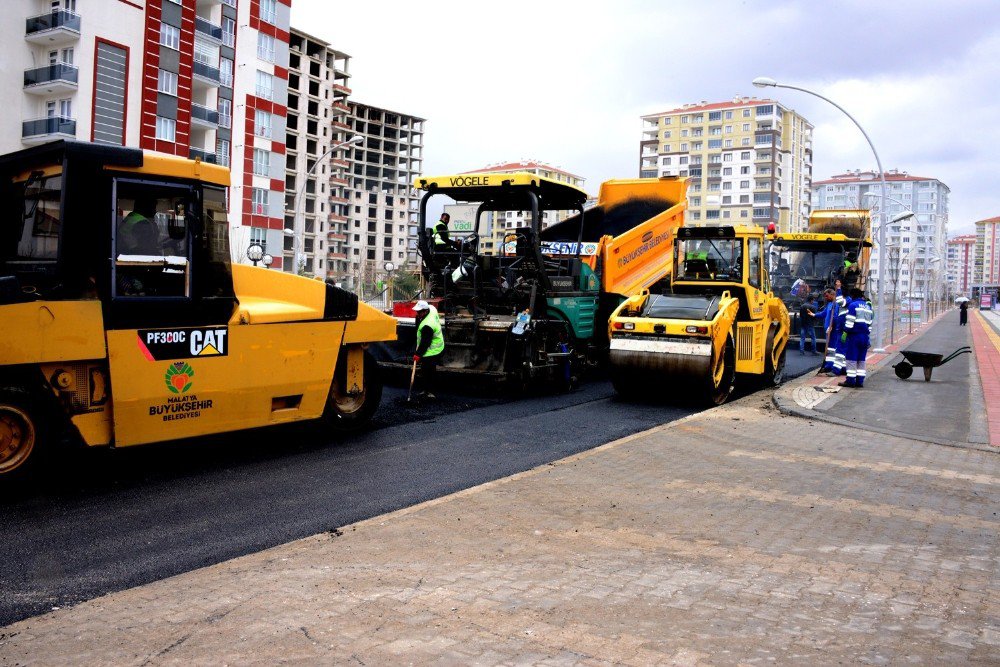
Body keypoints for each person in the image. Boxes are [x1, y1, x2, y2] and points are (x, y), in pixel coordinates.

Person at [839, 288, 874, 388]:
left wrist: (845, 332)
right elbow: (870, 324)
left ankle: (850, 381)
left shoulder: (853, 305)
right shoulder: (868, 307)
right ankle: (860, 381)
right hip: (865, 336)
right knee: (861, 360)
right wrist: (866, 335)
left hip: (855, 336)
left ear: (853, 296)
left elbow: (850, 322)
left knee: (851, 359)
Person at [412, 300, 445, 399]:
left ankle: (430, 392)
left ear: (425, 311)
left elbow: (425, 342)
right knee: (426, 369)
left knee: (428, 370)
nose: (417, 314)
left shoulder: (427, 326)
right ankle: (426, 390)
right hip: (437, 344)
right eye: (417, 311)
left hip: (433, 349)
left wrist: (418, 354)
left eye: (419, 312)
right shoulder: (432, 309)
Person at [816, 288, 838, 374]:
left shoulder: (836, 305)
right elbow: (823, 314)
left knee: (832, 348)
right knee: (829, 348)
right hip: (828, 330)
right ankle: (828, 365)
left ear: (832, 294)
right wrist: (814, 314)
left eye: (827, 296)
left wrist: (831, 326)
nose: (826, 298)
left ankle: (831, 366)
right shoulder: (829, 304)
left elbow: (835, 317)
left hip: (832, 330)